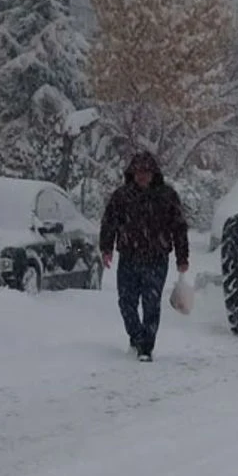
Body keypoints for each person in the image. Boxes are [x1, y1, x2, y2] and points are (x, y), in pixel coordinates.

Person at [99, 151, 190, 362]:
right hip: (129, 257)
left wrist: (182, 257)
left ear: (153, 174)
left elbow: (179, 228)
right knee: (126, 302)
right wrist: (106, 248)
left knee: (151, 303)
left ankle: (146, 347)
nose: (142, 176)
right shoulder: (122, 196)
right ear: (132, 173)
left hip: (157, 258)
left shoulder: (167, 196)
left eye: (146, 172)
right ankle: (136, 335)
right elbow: (109, 222)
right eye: (138, 172)